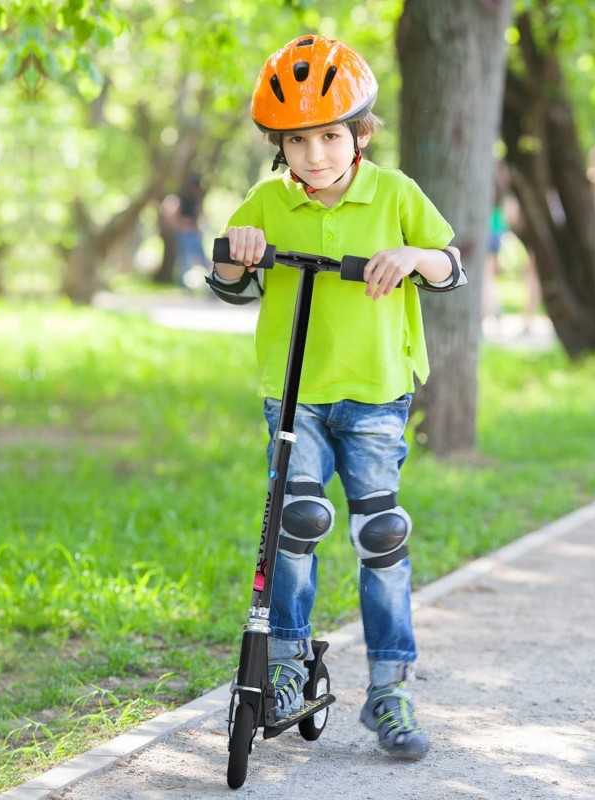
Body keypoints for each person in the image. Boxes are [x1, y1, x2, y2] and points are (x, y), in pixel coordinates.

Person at [206, 35, 466, 760]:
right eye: (297, 140)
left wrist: (413, 258)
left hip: (378, 395)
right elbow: (228, 280)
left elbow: (449, 266)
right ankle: (286, 666)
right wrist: (238, 248)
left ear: (361, 132)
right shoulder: (267, 200)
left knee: (381, 535)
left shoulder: (395, 193)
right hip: (295, 399)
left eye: (329, 135)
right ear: (277, 145)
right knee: (297, 524)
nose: (316, 154)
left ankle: (389, 687)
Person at [170, 172, 208, 287]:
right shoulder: (182, 197)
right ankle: (183, 286)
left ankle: (211, 285)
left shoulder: (195, 198)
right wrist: (181, 224)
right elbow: (175, 213)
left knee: (202, 258)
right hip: (184, 232)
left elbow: (199, 213)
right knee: (185, 260)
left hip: (193, 231)